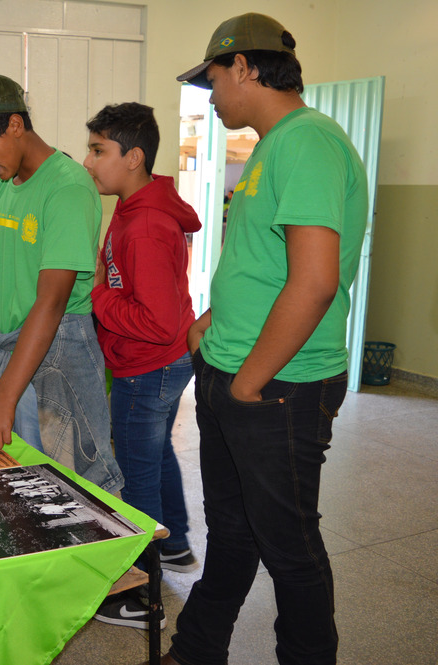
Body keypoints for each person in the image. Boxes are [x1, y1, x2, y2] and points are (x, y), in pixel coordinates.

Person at [149, 14, 369, 665]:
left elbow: (315, 280)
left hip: (279, 384)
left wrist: (246, 383)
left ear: (244, 66)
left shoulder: (307, 142)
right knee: (236, 533)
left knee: (290, 548)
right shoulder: (274, 146)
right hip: (233, 372)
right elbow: (265, 260)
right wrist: (216, 317)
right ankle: (197, 649)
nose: (211, 95)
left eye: (213, 79)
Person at [0, 73, 122, 493]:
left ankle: (129, 559)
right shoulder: (2, 185)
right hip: (12, 347)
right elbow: (0, 280)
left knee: (80, 485)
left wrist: (2, 400)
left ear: (15, 125)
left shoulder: (67, 187)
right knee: (19, 482)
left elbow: (50, 304)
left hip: (59, 346)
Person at [80, 102, 202, 630]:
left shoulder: (146, 224)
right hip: (166, 361)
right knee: (154, 454)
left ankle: (143, 594)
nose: (89, 162)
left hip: (148, 363)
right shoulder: (138, 207)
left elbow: (155, 319)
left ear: (133, 157)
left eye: (98, 150)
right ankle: (173, 543)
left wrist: (94, 299)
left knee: (136, 474)